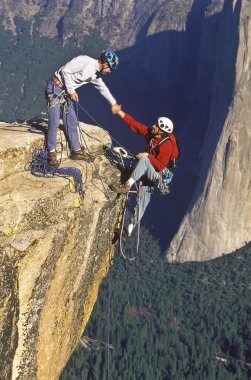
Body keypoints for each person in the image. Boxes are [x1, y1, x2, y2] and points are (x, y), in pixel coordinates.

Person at [110, 109, 179, 236]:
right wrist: (119, 112)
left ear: (161, 130)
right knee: (142, 203)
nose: (153, 126)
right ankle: (128, 229)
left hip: (156, 176)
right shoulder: (152, 135)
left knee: (145, 160)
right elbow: (135, 125)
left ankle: (127, 185)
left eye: (156, 125)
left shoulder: (166, 146)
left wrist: (147, 155)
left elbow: (159, 166)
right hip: (147, 170)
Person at [45, 51, 121, 166]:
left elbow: (102, 88)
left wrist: (113, 103)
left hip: (65, 93)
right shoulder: (85, 61)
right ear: (105, 64)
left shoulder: (95, 74)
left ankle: (76, 150)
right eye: (110, 68)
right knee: (54, 121)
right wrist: (71, 91)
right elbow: (65, 71)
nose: (110, 72)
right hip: (55, 89)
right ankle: (51, 152)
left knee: (72, 121)